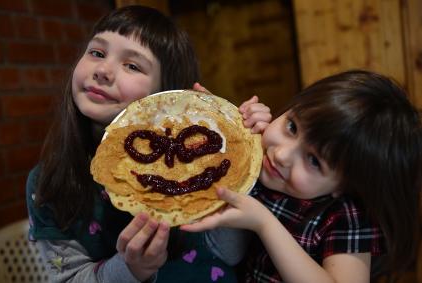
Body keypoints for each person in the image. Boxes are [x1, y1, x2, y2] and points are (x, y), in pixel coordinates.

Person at [25, 5, 271, 283]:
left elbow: (230, 254)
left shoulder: (194, 165)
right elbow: (66, 278)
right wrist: (130, 269)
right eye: (97, 52)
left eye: (132, 65)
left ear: (168, 92)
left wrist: (245, 154)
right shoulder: (47, 183)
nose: (104, 70)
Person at [182, 70, 422, 283]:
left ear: (345, 185)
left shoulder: (346, 216)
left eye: (315, 161)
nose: (283, 155)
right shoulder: (266, 166)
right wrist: (226, 125)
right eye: (292, 127)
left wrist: (265, 224)